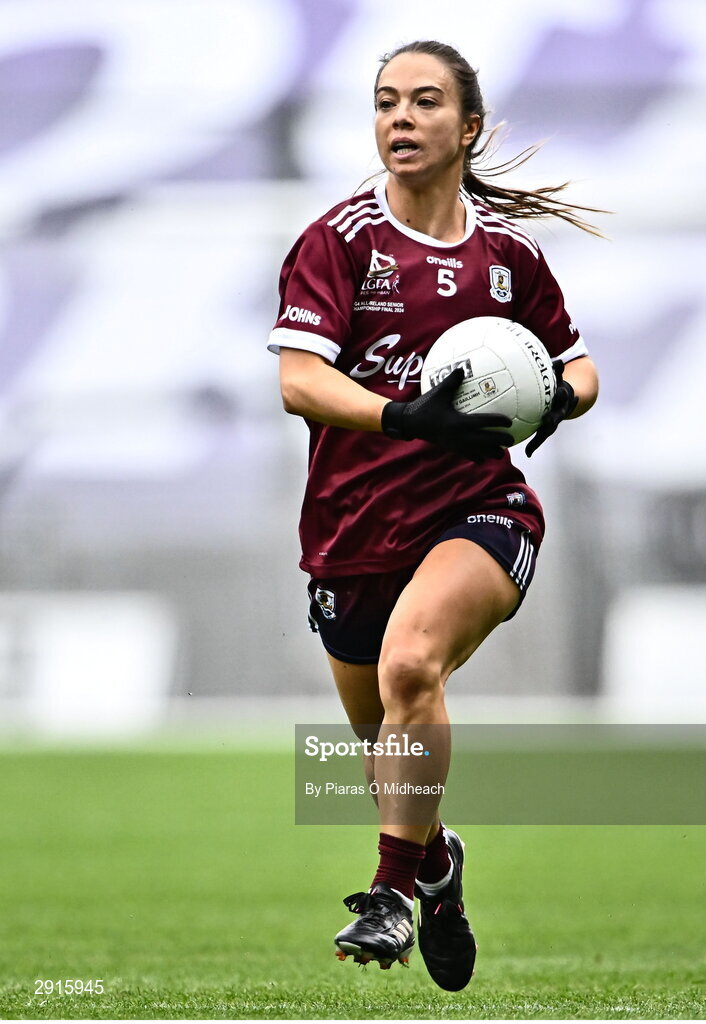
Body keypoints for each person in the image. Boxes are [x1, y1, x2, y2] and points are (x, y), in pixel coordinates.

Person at [268, 39, 600, 991]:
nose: (399, 118)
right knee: (388, 752)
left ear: (470, 128)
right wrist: (399, 414)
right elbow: (298, 381)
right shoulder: (339, 241)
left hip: (480, 509)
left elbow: (579, 367)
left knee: (414, 663)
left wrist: (552, 401)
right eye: (384, 102)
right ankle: (438, 868)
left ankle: (388, 895)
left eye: (423, 102)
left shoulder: (509, 258)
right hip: (350, 530)